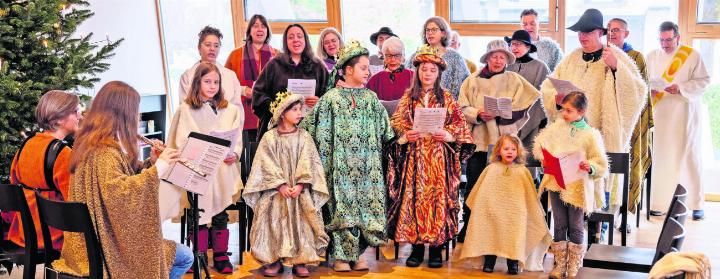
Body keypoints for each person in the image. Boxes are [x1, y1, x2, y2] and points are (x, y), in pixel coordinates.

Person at [53, 81, 193, 279]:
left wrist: (151, 163)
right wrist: (160, 168)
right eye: (136, 112)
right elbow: (121, 195)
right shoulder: (104, 153)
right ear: (123, 114)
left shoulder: (90, 144)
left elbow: (120, 178)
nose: (138, 117)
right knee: (185, 256)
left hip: (93, 242)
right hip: (106, 249)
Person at [300, 40, 394, 272]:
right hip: (338, 168)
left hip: (366, 168)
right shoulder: (330, 99)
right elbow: (309, 128)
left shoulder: (371, 99)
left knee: (365, 206)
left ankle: (359, 254)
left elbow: (387, 131)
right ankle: (341, 256)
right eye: (363, 67)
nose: (368, 72)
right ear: (348, 70)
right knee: (341, 208)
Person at [539, 8, 646, 207]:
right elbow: (547, 86)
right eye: (580, 32)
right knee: (571, 191)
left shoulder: (615, 55)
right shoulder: (571, 58)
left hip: (600, 134)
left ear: (600, 33)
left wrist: (616, 69)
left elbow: (638, 90)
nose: (582, 37)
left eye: (587, 32)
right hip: (571, 135)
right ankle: (571, 227)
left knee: (597, 179)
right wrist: (557, 98)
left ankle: (600, 224)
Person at [386, 44, 474, 269]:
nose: (427, 74)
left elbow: (461, 126)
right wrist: (406, 136)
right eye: (424, 69)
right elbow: (395, 124)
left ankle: (436, 248)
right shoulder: (408, 98)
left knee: (438, 200)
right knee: (415, 198)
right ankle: (416, 248)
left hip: (438, 159)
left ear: (438, 74)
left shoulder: (446, 98)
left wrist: (448, 135)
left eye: (432, 70)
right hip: (415, 159)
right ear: (417, 72)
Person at [457, 39, 541, 242]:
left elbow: (526, 104)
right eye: (494, 56)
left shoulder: (514, 79)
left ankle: (500, 230)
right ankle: (468, 227)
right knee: (474, 185)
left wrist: (506, 118)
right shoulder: (472, 80)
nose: (498, 60)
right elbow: (461, 107)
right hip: (478, 141)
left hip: (504, 143)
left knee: (502, 187)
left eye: (502, 57)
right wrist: (478, 114)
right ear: (487, 58)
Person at [165, 62, 244, 273]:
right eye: (207, 81)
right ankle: (196, 255)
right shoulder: (186, 109)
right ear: (197, 82)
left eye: (216, 82)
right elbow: (180, 139)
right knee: (195, 213)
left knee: (220, 214)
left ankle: (220, 255)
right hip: (196, 169)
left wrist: (234, 153)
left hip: (222, 170)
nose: (212, 86)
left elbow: (236, 139)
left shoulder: (229, 110)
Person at [243, 92, 329, 277]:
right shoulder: (269, 138)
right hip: (276, 191)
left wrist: (299, 185)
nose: (300, 113)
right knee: (274, 222)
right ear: (282, 112)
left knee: (302, 222)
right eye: (295, 109)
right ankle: (274, 259)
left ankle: (300, 259)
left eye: (301, 109)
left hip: (299, 191)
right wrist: (280, 185)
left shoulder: (304, 137)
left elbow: (309, 161)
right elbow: (265, 163)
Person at [532, 91, 609, 279]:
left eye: (569, 110)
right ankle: (559, 265)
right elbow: (540, 146)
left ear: (581, 112)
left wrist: (589, 166)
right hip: (556, 182)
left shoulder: (591, 135)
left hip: (576, 187)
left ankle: (574, 265)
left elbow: (601, 164)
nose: (564, 114)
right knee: (559, 224)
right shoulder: (556, 128)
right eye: (563, 110)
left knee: (575, 225)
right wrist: (545, 158)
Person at [459, 135, 552, 275]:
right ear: (498, 151)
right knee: (491, 233)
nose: (509, 152)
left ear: (518, 152)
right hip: (492, 211)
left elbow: (529, 197)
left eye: (513, 149)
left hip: (515, 213)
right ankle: (489, 261)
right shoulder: (491, 169)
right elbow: (480, 193)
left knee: (514, 236)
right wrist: (485, 208)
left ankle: (513, 263)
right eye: (506, 148)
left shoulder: (523, 171)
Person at [646, 21, 710, 220]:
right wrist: (651, 89)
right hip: (660, 114)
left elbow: (704, 80)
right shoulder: (651, 56)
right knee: (661, 157)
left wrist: (681, 88)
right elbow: (644, 80)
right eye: (661, 40)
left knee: (688, 156)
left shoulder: (692, 55)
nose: (664, 44)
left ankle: (696, 204)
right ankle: (659, 203)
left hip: (684, 112)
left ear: (678, 37)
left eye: (668, 40)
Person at [4, 91, 80, 252]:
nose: (79, 116)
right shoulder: (63, 154)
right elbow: (75, 202)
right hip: (54, 237)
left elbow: (13, 187)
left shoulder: (26, 145)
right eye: (75, 111)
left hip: (23, 233)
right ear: (58, 118)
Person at [607, 17, 653, 219]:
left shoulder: (636, 56)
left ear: (626, 33)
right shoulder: (602, 54)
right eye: (608, 30)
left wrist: (618, 67)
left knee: (627, 164)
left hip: (631, 119)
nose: (612, 33)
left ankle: (625, 214)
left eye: (616, 30)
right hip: (609, 119)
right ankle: (605, 213)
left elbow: (640, 90)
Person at [253, 24, 329, 141]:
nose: (296, 40)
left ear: (305, 40)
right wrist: (277, 107)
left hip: (309, 131)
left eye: (299, 36)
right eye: (291, 37)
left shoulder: (318, 67)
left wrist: (319, 102)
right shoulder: (274, 65)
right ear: (286, 41)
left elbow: (329, 97)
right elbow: (258, 94)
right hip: (279, 130)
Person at [225, 14, 279, 142]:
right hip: (244, 114)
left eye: (263, 26)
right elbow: (224, 84)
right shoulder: (235, 55)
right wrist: (244, 90)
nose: (260, 29)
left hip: (270, 113)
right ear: (249, 31)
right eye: (255, 26)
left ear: (267, 31)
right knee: (248, 157)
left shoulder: (278, 55)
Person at [178, 26, 243, 108]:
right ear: (199, 48)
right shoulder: (187, 76)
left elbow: (238, 108)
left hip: (228, 120)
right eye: (208, 45)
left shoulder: (230, 75)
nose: (212, 49)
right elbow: (185, 109)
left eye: (216, 46)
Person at [407, 16, 470, 100]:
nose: (430, 33)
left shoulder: (455, 57)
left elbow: (461, 86)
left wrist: (446, 103)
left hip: (447, 105)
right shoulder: (416, 56)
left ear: (443, 33)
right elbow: (408, 82)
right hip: (418, 104)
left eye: (434, 30)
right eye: (427, 30)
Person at [365, 36, 413, 115]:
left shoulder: (413, 76)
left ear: (404, 56)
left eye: (397, 55)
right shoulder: (375, 79)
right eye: (389, 56)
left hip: (408, 122)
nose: (393, 59)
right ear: (383, 57)